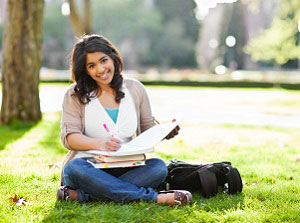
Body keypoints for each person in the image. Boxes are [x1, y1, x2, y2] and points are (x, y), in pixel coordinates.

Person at [57, 34, 192, 206]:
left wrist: (165, 131)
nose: (100, 69)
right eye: (91, 66)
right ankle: (154, 198)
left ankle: (87, 196)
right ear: (85, 70)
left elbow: (147, 128)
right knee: (73, 168)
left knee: (158, 167)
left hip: (126, 167)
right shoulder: (74, 94)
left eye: (103, 60)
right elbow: (69, 138)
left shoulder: (135, 89)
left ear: (113, 58)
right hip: (88, 168)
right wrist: (99, 144)